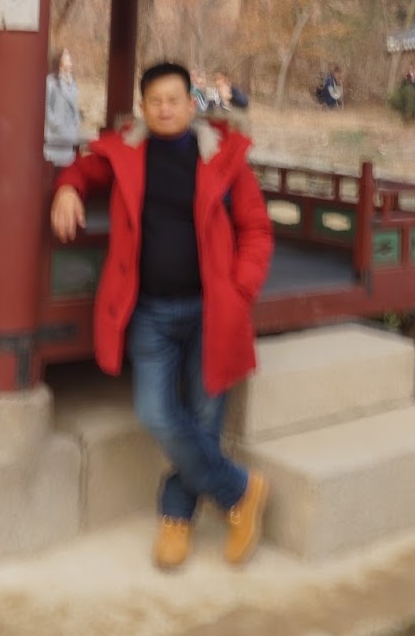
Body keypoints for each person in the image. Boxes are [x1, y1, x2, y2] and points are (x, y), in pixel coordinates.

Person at [50, 60, 274, 571]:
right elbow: (84, 168)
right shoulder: (128, 153)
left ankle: (176, 515)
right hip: (150, 311)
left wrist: (239, 291)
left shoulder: (222, 157)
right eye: (155, 101)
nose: (166, 109)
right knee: (156, 413)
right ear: (143, 108)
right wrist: (67, 188)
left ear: (192, 104)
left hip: (211, 312)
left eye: (175, 100)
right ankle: (241, 492)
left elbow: (257, 230)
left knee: (203, 420)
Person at [44, 47, 81, 167]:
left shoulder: (73, 82)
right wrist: (55, 123)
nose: (69, 59)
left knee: (68, 168)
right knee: (54, 166)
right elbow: (45, 105)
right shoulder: (51, 81)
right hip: (55, 134)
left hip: (70, 133)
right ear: (59, 60)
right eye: (66, 56)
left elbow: (74, 105)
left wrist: (77, 121)